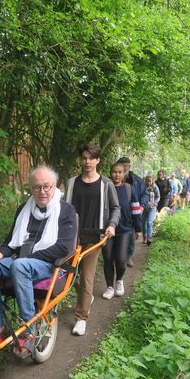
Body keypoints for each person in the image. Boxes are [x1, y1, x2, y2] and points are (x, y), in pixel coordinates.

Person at [0, 165, 77, 357]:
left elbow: (63, 248)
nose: (42, 191)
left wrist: (27, 258)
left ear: (54, 185)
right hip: (21, 262)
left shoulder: (66, 210)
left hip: (48, 264)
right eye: (37, 187)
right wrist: (1, 252)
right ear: (31, 188)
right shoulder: (24, 209)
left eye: (46, 186)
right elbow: (11, 241)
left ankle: (28, 329)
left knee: (20, 264)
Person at [65, 143, 120, 336]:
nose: (87, 161)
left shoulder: (106, 184)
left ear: (98, 160)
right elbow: (64, 209)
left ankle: (81, 318)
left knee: (86, 278)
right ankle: (86, 298)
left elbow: (116, 208)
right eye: (84, 158)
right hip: (71, 238)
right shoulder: (72, 182)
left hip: (94, 238)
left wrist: (112, 225)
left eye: (91, 158)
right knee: (69, 276)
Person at [101, 162, 142, 299]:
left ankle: (119, 280)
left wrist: (138, 228)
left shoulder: (129, 189)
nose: (116, 175)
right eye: (114, 172)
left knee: (121, 259)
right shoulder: (104, 188)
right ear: (110, 172)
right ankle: (109, 287)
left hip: (125, 228)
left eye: (119, 172)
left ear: (124, 173)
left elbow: (136, 208)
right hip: (107, 229)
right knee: (107, 259)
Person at [115, 156, 147, 267]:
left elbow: (144, 194)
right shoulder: (113, 180)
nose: (124, 168)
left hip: (133, 212)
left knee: (132, 237)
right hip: (118, 214)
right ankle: (118, 256)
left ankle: (128, 257)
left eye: (125, 166)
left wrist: (141, 206)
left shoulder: (137, 181)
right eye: (121, 165)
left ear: (129, 166)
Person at [142, 175, 160, 246]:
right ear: (145, 181)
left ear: (152, 181)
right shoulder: (143, 187)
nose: (149, 182)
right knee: (143, 223)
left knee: (149, 222)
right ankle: (144, 237)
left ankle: (149, 238)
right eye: (147, 181)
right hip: (144, 208)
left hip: (152, 208)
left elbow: (158, 197)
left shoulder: (155, 187)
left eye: (150, 181)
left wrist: (154, 203)